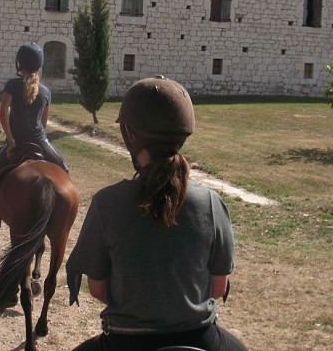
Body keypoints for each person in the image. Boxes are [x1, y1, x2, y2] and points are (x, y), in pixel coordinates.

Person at [66, 76, 247, 351]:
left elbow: (98, 290)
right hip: (199, 338)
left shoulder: (106, 203)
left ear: (130, 135)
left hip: (125, 341)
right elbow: (219, 288)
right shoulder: (211, 203)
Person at [0, 42, 68, 228]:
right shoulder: (46, 91)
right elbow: (44, 123)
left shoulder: (13, 85)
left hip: (16, 143)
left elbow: (3, 111)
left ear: (19, 63)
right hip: (40, 142)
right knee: (63, 167)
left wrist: (11, 140)